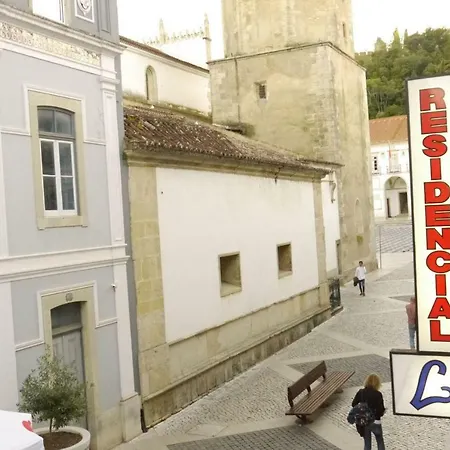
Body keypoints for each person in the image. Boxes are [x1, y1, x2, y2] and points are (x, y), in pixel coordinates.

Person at [352, 373, 386, 450]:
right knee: (380, 441)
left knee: (367, 444)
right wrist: (382, 412)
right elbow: (380, 410)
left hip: (364, 421)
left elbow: (354, 404)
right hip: (375, 421)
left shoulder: (361, 392)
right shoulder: (378, 394)